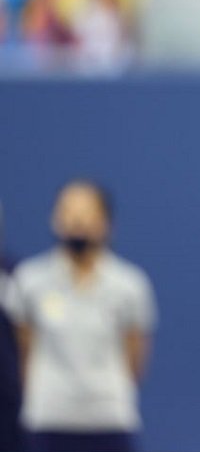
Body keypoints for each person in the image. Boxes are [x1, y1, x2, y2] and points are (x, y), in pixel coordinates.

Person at [3, 179, 157, 452]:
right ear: (55, 218)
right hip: (47, 418)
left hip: (110, 418)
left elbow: (135, 358)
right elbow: (24, 350)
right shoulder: (29, 280)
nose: (77, 221)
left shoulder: (131, 284)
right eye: (68, 212)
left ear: (106, 222)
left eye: (87, 213)